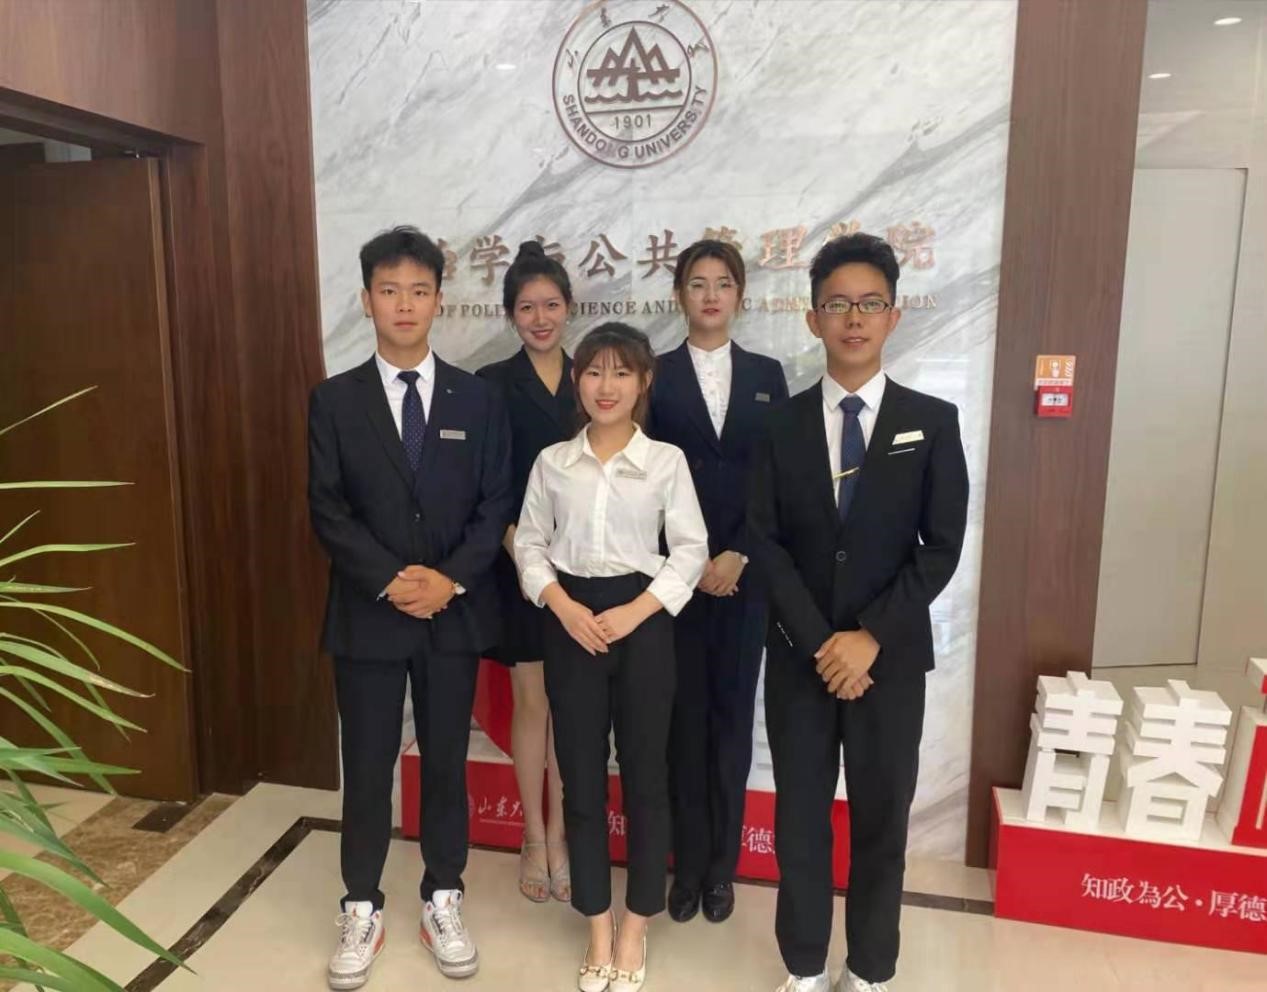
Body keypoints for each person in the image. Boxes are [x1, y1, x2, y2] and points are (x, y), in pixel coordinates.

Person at [748, 233, 969, 992]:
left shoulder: (930, 421)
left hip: (890, 661)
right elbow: (764, 543)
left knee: (881, 820)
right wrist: (824, 643)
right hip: (801, 659)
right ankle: (805, 967)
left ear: (893, 316)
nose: (853, 318)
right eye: (837, 304)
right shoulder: (778, 426)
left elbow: (940, 547)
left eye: (869, 303)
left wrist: (870, 635)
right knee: (800, 821)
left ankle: (870, 969)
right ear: (812, 318)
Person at [308, 226, 512, 989]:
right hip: (369, 613)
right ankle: (360, 905)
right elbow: (327, 509)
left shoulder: (477, 399)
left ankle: (442, 897)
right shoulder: (334, 400)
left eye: (418, 290)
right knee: (367, 767)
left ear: (438, 300)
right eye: (389, 290)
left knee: (447, 764)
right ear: (366, 300)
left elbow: (495, 504)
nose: (404, 304)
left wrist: (448, 580)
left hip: (451, 616)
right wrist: (393, 580)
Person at [514, 323, 708, 992]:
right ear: (577, 380)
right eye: (594, 371)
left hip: (643, 623)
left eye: (621, 372)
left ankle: (634, 925)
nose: (606, 386)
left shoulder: (666, 461)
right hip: (570, 624)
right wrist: (562, 606)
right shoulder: (552, 462)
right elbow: (529, 545)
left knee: (647, 779)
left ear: (643, 382)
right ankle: (597, 924)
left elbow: (690, 551)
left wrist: (635, 611)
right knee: (581, 781)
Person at [646, 239, 788, 925]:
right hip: (674, 583)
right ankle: (685, 865)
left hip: (742, 578)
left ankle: (720, 871)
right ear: (679, 294)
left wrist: (737, 554)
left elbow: (777, 478)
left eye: (722, 283)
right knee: (682, 726)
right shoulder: (654, 374)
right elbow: (645, 477)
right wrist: (688, 559)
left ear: (739, 295)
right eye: (697, 283)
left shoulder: (767, 374)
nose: (710, 295)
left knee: (731, 723)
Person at [476, 240, 576, 904]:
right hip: (518, 566)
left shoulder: (592, 375)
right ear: (511, 314)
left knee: (573, 706)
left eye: (550, 305)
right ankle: (533, 837)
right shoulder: (490, 384)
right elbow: (487, 483)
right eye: (526, 307)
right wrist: (525, 555)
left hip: (587, 572)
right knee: (533, 701)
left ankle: (563, 835)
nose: (540, 318)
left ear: (568, 308)